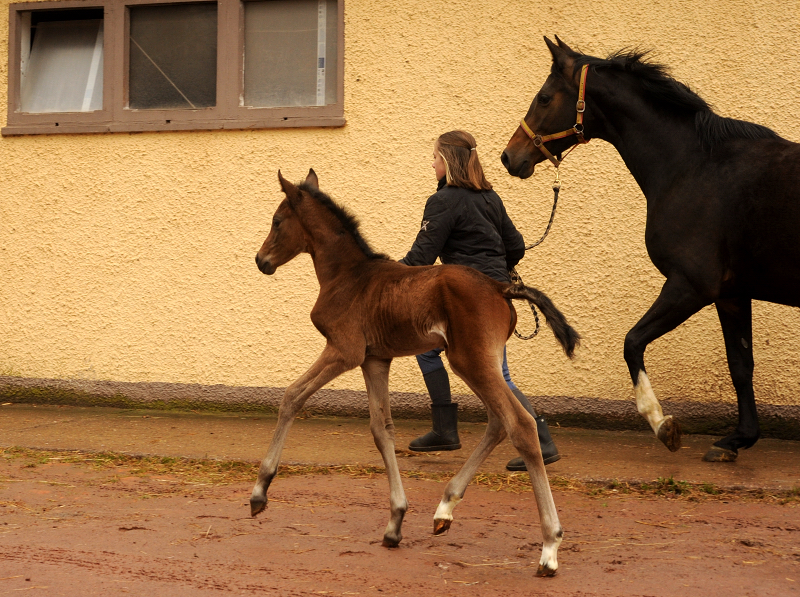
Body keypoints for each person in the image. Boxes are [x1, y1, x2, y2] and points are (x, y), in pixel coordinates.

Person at [399, 130, 560, 470]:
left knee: (495, 376)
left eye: (435, 157)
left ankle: (539, 441)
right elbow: (515, 246)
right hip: (499, 296)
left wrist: (381, 273)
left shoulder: (443, 201)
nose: (432, 163)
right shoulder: (490, 198)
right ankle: (444, 429)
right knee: (428, 348)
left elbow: (420, 259)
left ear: (448, 161)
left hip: (470, 302)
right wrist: (498, 271)